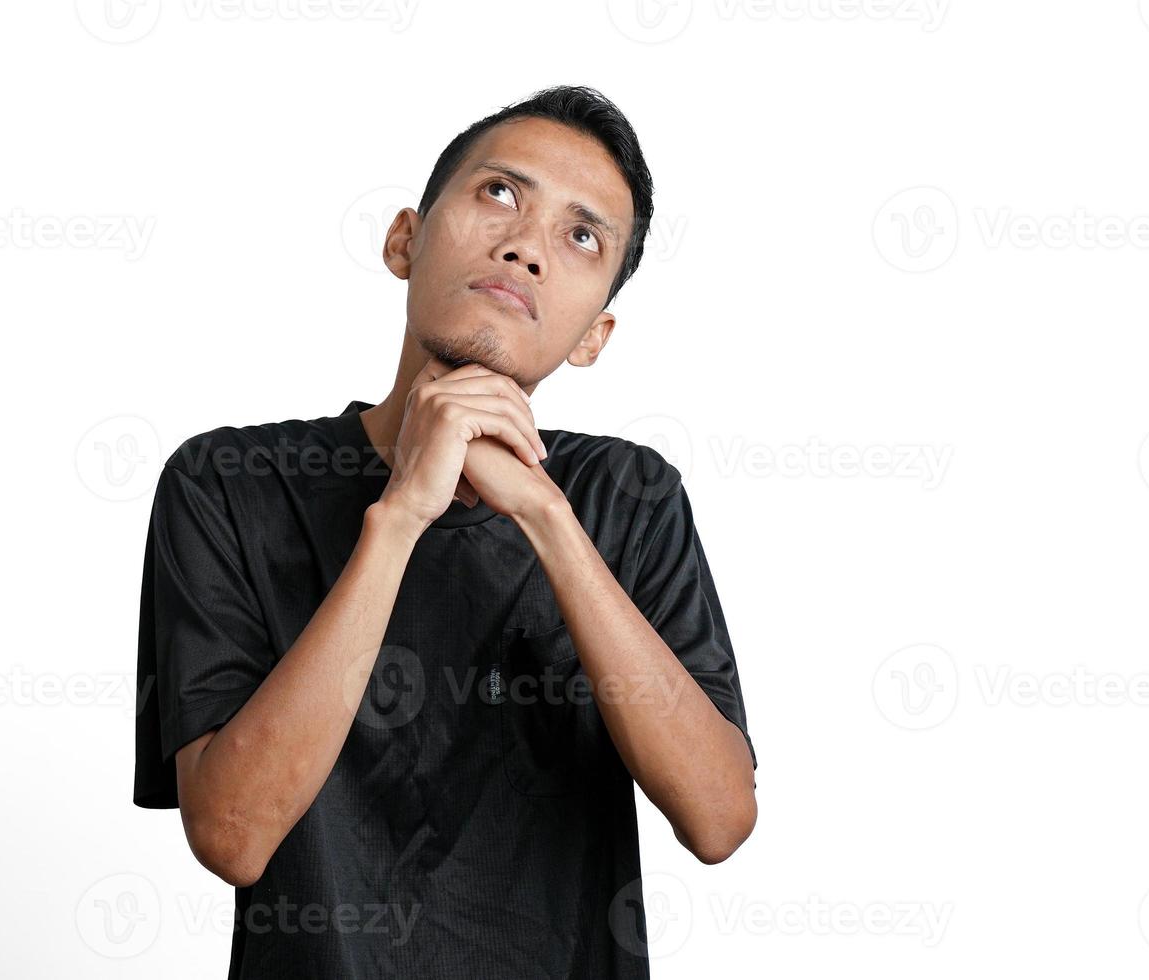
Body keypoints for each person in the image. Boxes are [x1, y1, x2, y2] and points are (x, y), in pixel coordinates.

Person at [133, 84, 757, 978]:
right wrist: (400, 519)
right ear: (404, 240)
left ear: (594, 336)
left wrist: (548, 515)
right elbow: (232, 834)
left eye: (581, 237)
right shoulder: (229, 484)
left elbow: (719, 816)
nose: (526, 247)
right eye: (500, 193)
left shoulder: (630, 496)